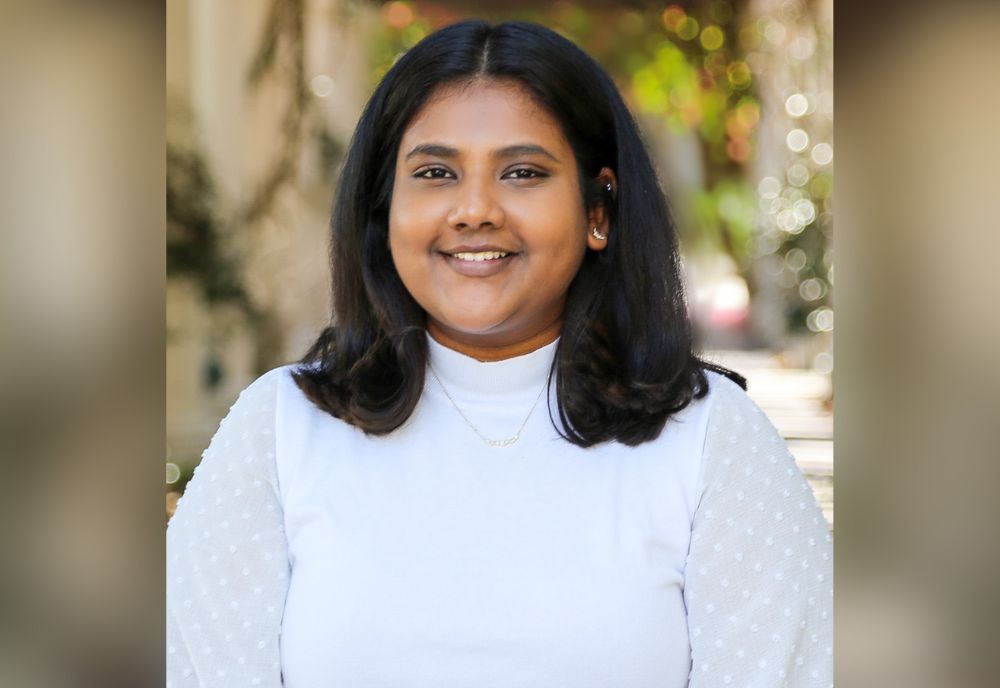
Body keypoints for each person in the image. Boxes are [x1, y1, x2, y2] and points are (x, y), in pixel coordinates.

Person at [167, 20, 832, 688]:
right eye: (434, 172)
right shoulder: (281, 432)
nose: (475, 209)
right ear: (384, 208)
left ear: (599, 211)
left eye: (522, 172)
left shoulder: (712, 440)